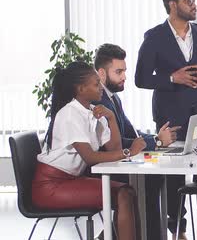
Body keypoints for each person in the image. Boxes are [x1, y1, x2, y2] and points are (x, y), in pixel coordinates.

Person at [135, 0, 197, 239]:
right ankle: (178, 229)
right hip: (169, 118)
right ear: (172, 5)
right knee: (174, 177)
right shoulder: (154, 37)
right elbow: (141, 78)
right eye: (188, 0)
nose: (194, 4)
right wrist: (172, 78)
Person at [32, 61, 145, 240]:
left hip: (70, 180)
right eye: (95, 83)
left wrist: (111, 117)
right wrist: (129, 152)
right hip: (51, 186)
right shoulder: (70, 114)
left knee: (127, 192)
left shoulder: (92, 111)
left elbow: (113, 148)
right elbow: (90, 157)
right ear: (81, 89)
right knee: (124, 194)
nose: (101, 87)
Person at [95, 43, 180, 240]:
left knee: (154, 178)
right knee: (150, 180)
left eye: (124, 70)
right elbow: (116, 142)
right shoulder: (98, 101)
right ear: (101, 73)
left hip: (117, 162)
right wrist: (157, 142)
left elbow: (130, 133)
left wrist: (155, 138)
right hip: (103, 168)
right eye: (119, 72)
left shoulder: (113, 98)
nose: (124, 76)